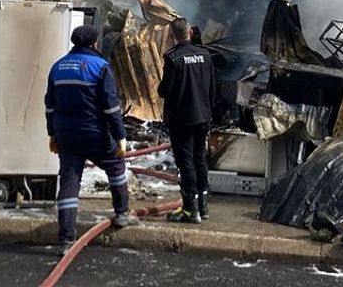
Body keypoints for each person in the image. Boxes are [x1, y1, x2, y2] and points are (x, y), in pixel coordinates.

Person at [45, 24, 139, 253]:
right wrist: (120, 136)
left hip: (66, 134)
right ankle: (122, 214)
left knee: (69, 181)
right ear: (94, 43)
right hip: (93, 132)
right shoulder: (100, 66)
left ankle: (66, 239)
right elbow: (111, 107)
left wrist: (52, 133)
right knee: (116, 166)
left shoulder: (58, 67)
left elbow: (49, 105)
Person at [158, 18, 216, 224]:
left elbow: (165, 90)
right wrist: (209, 112)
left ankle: (190, 210)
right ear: (190, 32)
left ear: (172, 35)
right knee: (200, 159)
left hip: (182, 119)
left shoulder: (173, 58)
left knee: (186, 163)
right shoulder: (205, 55)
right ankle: (203, 207)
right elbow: (212, 88)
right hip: (203, 117)